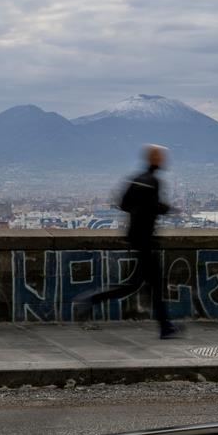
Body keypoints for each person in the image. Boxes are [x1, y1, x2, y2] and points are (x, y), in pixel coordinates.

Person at [89, 144, 184, 339]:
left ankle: (165, 327)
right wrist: (164, 208)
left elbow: (124, 203)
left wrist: (139, 211)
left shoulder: (137, 179)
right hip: (146, 240)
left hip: (137, 238)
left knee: (136, 285)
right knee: (151, 286)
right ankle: (165, 327)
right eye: (160, 157)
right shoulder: (152, 181)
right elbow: (153, 206)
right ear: (155, 160)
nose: (163, 160)